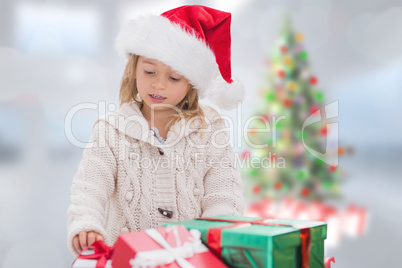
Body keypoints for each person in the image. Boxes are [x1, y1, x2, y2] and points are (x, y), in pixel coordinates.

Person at [67, 5, 246, 256]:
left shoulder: (210, 129)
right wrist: (86, 224)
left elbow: (223, 194)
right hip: (128, 259)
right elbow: (90, 187)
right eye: (149, 71)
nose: (158, 84)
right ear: (134, 69)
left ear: (191, 85)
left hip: (191, 257)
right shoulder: (111, 130)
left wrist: (216, 240)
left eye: (174, 78)